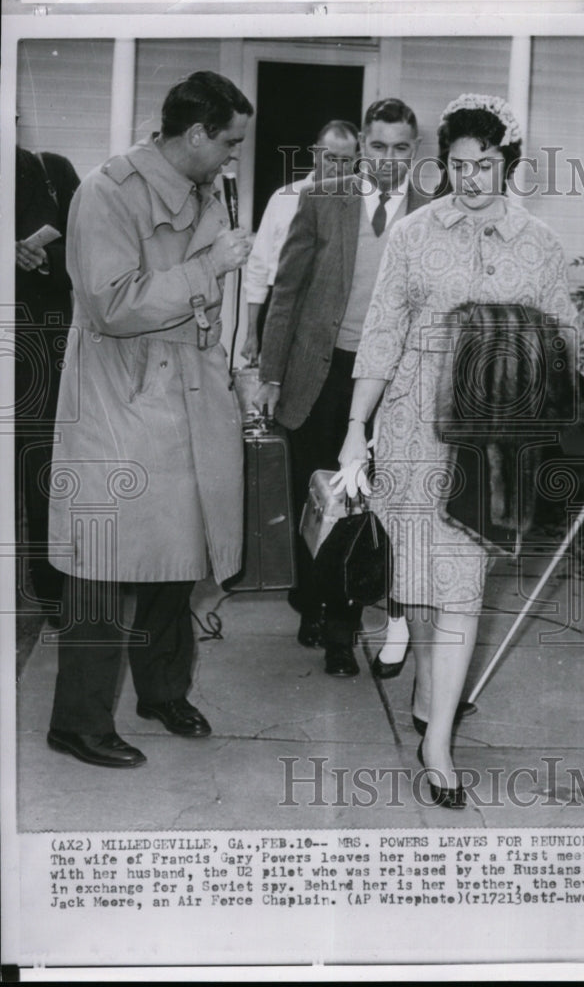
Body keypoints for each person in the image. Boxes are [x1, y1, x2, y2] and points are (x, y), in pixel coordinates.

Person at [337, 94, 578, 807]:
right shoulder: (412, 235)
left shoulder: (540, 243)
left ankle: (437, 739)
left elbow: (565, 336)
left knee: (464, 588)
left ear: (509, 163)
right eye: (458, 165)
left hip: (491, 438)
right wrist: (357, 425)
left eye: (486, 165)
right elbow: (381, 332)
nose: (471, 179)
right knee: (420, 586)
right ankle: (428, 696)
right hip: (414, 429)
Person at [46, 71, 254, 768]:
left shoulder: (204, 190)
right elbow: (110, 303)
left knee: (176, 557)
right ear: (195, 134)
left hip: (187, 398)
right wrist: (208, 270)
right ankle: (76, 722)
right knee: (101, 564)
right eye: (229, 143)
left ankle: (161, 692)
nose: (234, 158)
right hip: (120, 404)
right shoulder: (106, 192)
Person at [255, 98, 428, 678]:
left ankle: (340, 626)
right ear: (362, 147)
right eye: (377, 146)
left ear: (415, 150)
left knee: (360, 504)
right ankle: (310, 598)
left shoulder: (433, 211)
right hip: (318, 371)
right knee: (317, 495)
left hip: (388, 379)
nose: (387, 159)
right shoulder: (321, 199)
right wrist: (271, 375)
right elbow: (287, 292)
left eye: (400, 148)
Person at [15, 144, 80, 623]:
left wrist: (41, 256)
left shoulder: (46, 169)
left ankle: (51, 588)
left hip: (38, 346)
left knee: (43, 469)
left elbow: (82, 245)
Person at [241, 119, 359, 364]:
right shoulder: (284, 199)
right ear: (316, 153)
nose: (337, 168)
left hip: (332, 316)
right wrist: (252, 333)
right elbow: (258, 269)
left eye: (345, 160)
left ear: (357, 159)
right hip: (280, 308)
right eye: (330, 158)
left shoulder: (360, 207)